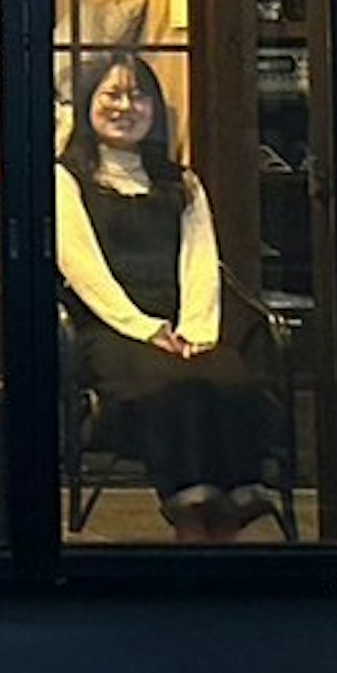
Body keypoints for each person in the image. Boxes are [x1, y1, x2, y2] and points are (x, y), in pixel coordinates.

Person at [56, 51, 287, 543]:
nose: (125, 106)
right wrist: (144, 328)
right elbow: (82, 269)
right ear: (87, 105)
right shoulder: (66, 179)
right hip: (110, 325)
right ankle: (190, 513)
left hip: (182, 320)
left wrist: (197, 331)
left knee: (227, 374)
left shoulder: (180, 182)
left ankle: (231, 507)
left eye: (137, 95)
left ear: (155, 109)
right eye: (111, 94)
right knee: (169, 383)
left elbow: (201, 262)